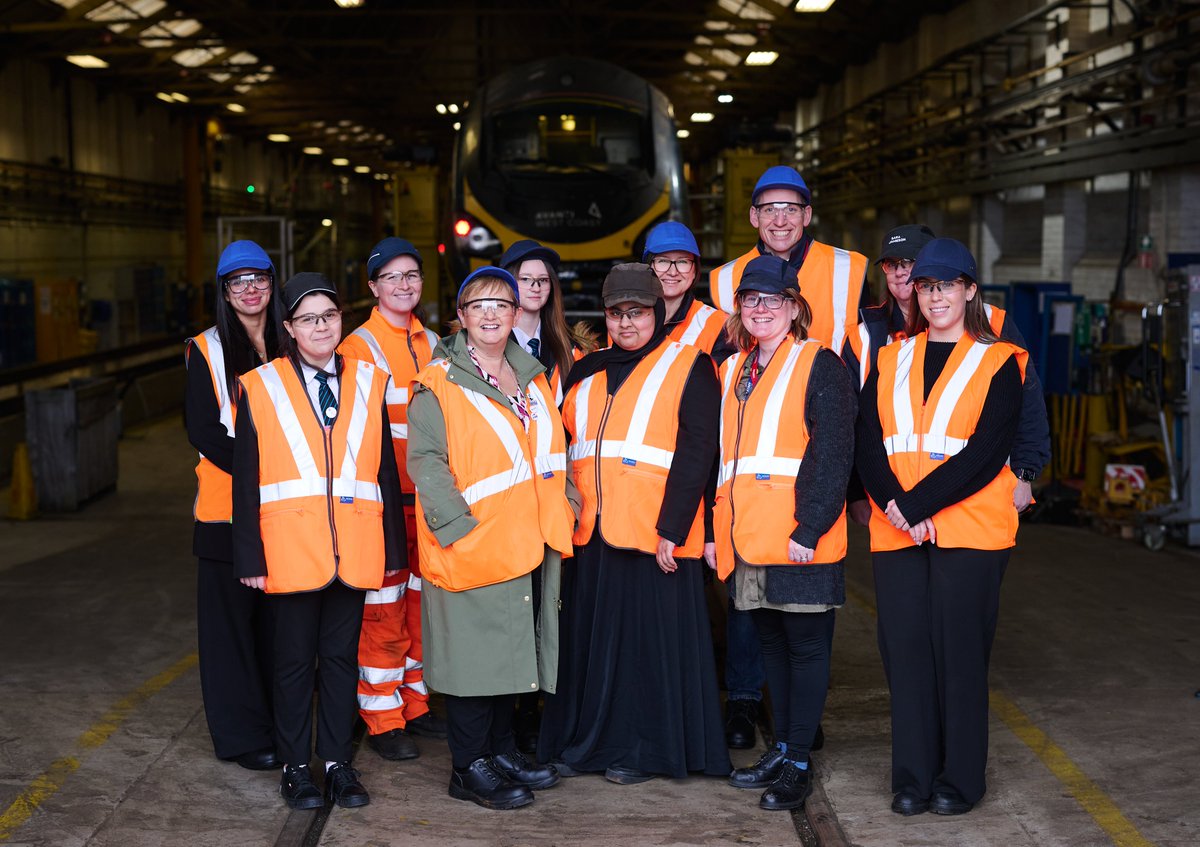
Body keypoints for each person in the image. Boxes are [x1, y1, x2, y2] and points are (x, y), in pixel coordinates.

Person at [854, 238, 1026, 817]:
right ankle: (912, 778)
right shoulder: (891, 357)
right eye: (927, 287)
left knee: (958, 657)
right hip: (898, 529)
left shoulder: (999, 360)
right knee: (904, 655)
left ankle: (960, 781)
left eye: (947, 285)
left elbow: (987, 448)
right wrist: (898, 507)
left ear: (970, 290)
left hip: (971, 531)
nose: (935, 297)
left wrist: (918, 503)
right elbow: (868, 441)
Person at [541, 263, 731, 784]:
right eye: (617, 313)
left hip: (654, 538)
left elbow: (698, 453)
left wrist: (673, 527)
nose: (627, 323)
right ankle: (592, 743)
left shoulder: (689, 365)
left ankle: (645, 750)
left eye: (638, 312)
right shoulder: (585, 370)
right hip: (592, 535)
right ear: (605, 315)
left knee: (647, 654)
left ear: (658, 313)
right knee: (594, 650)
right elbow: (562, 447)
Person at [232, 273, 406, 810]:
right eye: (308, 319)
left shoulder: (370, 382)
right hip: (289, 552)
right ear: (288, 328)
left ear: (341, 321)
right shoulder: (261, 386)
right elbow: (245, 479)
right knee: (291, 664)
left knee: (338, 660)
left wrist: (392, 549)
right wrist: (249, 555)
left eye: (329, 316)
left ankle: (335, 763)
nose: (321, 327)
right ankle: (294, 767)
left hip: (353, 549)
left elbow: (382, 472)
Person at [407, 266, 576, 811]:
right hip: (473, 542)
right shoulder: (440, 382)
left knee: (510, 655)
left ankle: (500, 751)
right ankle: (468, 766)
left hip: (528, 538)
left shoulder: (532, 379)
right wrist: (458, 528)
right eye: (477, 305)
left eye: (500, 305)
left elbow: (551, 450)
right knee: (473, 662)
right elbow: (426, 461)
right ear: (460, 316)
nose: (489, 314)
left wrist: (568, 501)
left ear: (515, 313)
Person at [710, 166, 867, 748]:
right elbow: (725, 456)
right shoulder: (734, 371)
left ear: (795, 308)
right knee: (769, 641)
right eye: (751, 299)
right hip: (749, 530)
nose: (759, 307)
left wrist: (814, 522)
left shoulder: (820, 363)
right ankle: (783, 747)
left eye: (773, 300)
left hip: (800, 531)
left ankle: (797, 754)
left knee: (802, 649)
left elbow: (832, 448)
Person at [847, 225, 1050, 515]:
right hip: (893, 506)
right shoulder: (866, 335)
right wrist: (856, 492)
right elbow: (855, 422)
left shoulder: (993, 323)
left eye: (911, 263)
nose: (902, 272)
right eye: (893, 265)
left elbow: (1028, 403)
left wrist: (1025, 472)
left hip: (974, 502)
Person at [339, 237, 446, 763]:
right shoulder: (356, 347)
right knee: (383, 610)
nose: (404, 286)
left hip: (427, 501)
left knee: (422, 608)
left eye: (412, 276)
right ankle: (382, 718)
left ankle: (416, 704)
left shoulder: (433, 342)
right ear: (374, 287)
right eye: (393, 277)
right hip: (384, 503)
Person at [185, 240, 282, 772]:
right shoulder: (206, 349)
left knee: (275, 628)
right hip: (225, 515)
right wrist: (262, 470)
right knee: (230, 634)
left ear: (272, 283)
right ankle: (243, 737)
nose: (250, 289)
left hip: (286, 515)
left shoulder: (291, 339)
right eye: (237, 281)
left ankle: (278, 724)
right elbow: (202, 429)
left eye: (259, 278)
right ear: (225, 292)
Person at [708, 165, 868, 360]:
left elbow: (866, 352)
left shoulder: (850, 270)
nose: (780, 221)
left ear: (807, 215)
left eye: (791, 209)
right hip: (754, 390)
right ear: (753, 216)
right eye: (769, 209)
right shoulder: (724, 280)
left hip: (831, 388)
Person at [501, 239, 596, 405]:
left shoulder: (573, 352)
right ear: (506, 284)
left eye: (543, 280)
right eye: (525, 279)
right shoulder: (484, 350)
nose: (536, 287)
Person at [642, 220, 734, 361]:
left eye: (682, 262)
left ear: (694, 271)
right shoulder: (625, 321)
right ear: (648, 267)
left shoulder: (719, 327)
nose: (672, 272)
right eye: (663, 261)